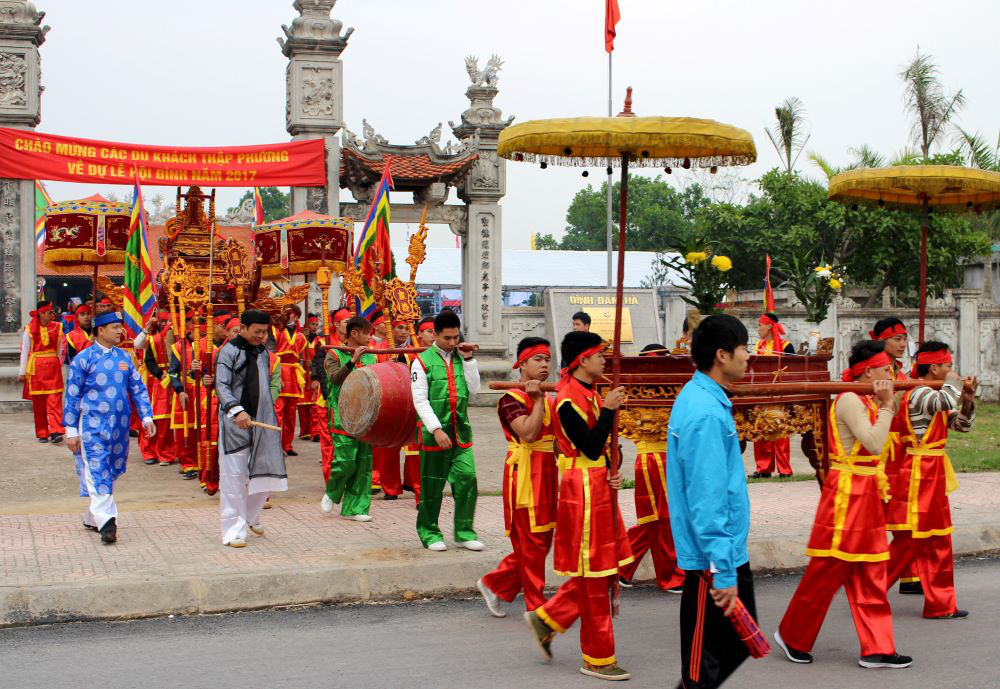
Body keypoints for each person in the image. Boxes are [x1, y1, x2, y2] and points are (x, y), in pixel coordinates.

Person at [775, 340, 912, 670]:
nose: (892, 373)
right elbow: (875, 442)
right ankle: (792, 635)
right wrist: (889, 405)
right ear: (868, 372)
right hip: (848, 493)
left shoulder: (867, 399)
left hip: (866, 492)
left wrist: (884, 404)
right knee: (827, 571)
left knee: (871, 572)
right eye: (886, 369)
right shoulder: (850, 399)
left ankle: (877, 647)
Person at [523, 330, 632, 681]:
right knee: (595, 576)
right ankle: (597, 657)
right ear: (583, 360)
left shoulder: (589, 391)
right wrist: (609, 411)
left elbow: (602, 449)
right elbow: (587, 446)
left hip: (597, 484)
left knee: (600, 571)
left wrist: (612, 467)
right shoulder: (569, 398)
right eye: (600, 355)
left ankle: (547, 619)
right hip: (582, 491)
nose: (605, 360)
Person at [667, 314, 756, 689]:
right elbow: (706, 499)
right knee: (704, 667)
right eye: (743, 348)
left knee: (738, 643)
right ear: (722, 355)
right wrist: (722, 569)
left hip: (725, 548)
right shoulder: (704, 413)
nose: (749, 356)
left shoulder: (707, 398)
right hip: (712, 556)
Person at [885, 341, 976, 619]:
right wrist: (953, 384)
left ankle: (941, 604)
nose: (952, 370)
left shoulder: (934, 393)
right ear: (934, 367)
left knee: (938, 539)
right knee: (911, 540)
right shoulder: (919, 393)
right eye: (948, 365)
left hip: (933, 473)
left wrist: (969, 400)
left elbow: (961, 425)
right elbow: (945, 401)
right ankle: (868, 590)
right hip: (917, 474)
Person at [478, 337, 558, 617]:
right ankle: (537, 608)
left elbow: (556, 440)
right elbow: (528, 433)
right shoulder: (509, 399)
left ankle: (495, 584)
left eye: (547, 359)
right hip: (524, 475)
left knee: (543, 541)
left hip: (547, 474)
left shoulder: (548, 398)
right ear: (522, 364)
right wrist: (537, 401)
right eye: (538, 359)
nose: (545, 364)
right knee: (532, 543)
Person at [63, 311, 155, 544]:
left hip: (119, 427)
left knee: (110, 470)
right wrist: (71, 430)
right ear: (100, 330)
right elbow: (72, 396)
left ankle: (92, 517)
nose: (120, 331)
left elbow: (138, 389)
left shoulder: (124, 358)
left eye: (120, 327)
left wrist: (146, 417)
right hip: (92, 425)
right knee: (97, 468)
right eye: (114, 327)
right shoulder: (83, 359)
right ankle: (108, 523)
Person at [410, 310, 482, 551]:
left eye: (455, 337)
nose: (452, 343)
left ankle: (464, 531)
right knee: (432, 487)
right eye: (447, 338)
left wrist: (469, 359)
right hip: (435, 435)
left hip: (461, 432)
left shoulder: (462, 357)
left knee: (467, 479)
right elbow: (420, 400)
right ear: (435, 336)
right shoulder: (421, 362)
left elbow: (474, 390)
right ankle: (429, 533)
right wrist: (436, 429)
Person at [214, 309, 285, 548]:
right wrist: (237, 410)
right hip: (235, 422)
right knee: (234, 478)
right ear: (243, 329)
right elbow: (221, 386)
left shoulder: (263, 353)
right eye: (257, 332)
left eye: (265, 332)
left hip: (261, 422)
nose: (262, 337)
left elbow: (265, 387)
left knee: (262, 473)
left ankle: (251, 517)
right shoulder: (228, 352)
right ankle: (233, 531)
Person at [618, 343, 685, 594]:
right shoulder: (640, 391)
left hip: (668, 458)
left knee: (655, 521)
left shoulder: (674, 389)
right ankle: (672, 577)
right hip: (654, 460)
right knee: (663, 519)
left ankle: (621, 567)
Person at [869, 317, 922, 595]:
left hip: (902, 449)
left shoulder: (900, 372)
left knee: (905, 512)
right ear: (881, 340)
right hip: (881, 450)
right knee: (885, 514)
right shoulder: (874, 372)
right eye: (897, 339)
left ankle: (910, 574)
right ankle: (877, 579)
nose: (903, 344)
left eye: (904, 338)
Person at [321, 316, 378, 521]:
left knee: (363, 464)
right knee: (345, 461)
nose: (369, 337)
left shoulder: (373, 356)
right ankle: (332, 491)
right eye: (366, 333)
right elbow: (335, 380)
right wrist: (352, 361)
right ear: (354, 333)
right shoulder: (334, 354)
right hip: (342, 415)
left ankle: (355, 508)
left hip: (366, 416)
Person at [750, 312, 796, 479]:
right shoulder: (759, 345)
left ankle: (784, 469)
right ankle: (763, 468)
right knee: (761, 428)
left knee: (780, 430)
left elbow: (792, 370)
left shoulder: (786, 346)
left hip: (779, 393)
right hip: (761, 392)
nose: (758, 329)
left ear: (769, 326)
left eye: (760, 325)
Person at [371, 318, 411, 501]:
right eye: (400, 328)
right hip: (388, 402)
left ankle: (416, 487)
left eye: (407, 329)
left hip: (410, 403)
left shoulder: (414, 352)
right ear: (391, 329)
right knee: (387, 447)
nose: (404, 332)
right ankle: (390, 488)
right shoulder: (380, 351)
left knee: (415, 448)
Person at [19, 301, 65, 444]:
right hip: (36, 368)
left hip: (52, 367)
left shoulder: (58, 327)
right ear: (41, 313)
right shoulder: (30, 328)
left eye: (52, 312)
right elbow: (25, 350)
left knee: (55, 400)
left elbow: (60, 350)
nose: (52, 315)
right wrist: (22, 371)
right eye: (49, 312)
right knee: (39, 403)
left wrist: (58, 365)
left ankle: (55, 430)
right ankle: (42, 432)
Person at [139, 312, 177, 467]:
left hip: (174, 380)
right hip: (156, 383)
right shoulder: (152, 339)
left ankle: (166, 453)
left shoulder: (181, 339)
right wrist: (160, 375)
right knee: (154, 418)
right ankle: (149, 451)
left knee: (168, 421)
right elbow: (147, 358)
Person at [168, 318, 203, 480]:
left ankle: (201, 461)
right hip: (186, 391)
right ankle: (187, 463)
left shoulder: (206, 347)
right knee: (184, 429)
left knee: (201, 428)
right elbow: (173, 372)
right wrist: (179, 390)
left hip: (202, 390)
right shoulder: (177, 348)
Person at [273, 304, 308, 456]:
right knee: (277, 411)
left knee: (291, 413)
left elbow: (304, 359)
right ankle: (275, 445)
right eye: (286, 313)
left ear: (296, 316)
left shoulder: (301, 337)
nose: (289, 316)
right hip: (279, 371)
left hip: (293, 374)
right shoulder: (276, 332)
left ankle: (287, 445)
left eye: (291, 313)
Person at [298, 313, 321, 443]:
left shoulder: (319, 340)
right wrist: (302, 361)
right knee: (302, 405)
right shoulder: (301, 338)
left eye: (316, 324)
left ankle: (315, 432)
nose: (314, 327)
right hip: (302, 374)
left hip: (314, 374)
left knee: (314, 404)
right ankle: (305, 431)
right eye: (312, 324)